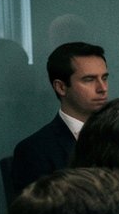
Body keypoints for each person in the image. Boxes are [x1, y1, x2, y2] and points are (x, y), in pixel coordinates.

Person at [8, 40, 108, 196]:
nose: (102, 88)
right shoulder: (35, 150)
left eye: (104, 78)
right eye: (89, 79)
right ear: (61, 87)